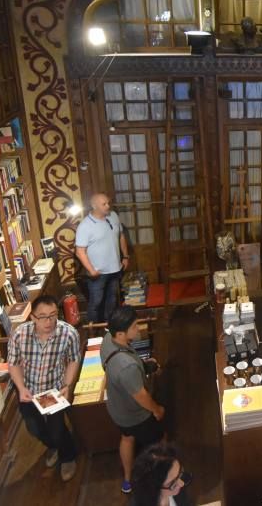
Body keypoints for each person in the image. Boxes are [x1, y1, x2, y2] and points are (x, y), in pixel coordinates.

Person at [7, 294, 81, 482]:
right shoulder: (19, 335)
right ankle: (54, 445)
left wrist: (67, 384)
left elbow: (73, 359)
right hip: (29, 392)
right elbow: (13, 363)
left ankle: (68, 456)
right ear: (32, 317)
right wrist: (21, 387)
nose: (49, 321)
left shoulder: (68, 333)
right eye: (43, 316)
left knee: (57, 429)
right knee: (34, 429)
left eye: (53, 315)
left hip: (54, 390)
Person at [103, 306, 166, 494]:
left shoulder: (108, 340)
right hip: (136, 415)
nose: (138, 329)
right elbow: (142, 397)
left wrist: (144, 367)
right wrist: (157, 410)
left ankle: (127, 480)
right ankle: (163, 473)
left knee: (127, 438)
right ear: (121, 333)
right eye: (134, 326)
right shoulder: (127, 367)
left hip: (116, 409)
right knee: (159, 440)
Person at [75, 192, 129, 323]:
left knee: (112, 300)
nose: (108, 206)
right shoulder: (85, 226)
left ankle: (108, 326)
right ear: (94, 206)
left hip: (115, 269)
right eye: (104, 204)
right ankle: (93, 329)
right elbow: (79, 251)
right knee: (96, 302)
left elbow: (121, 236)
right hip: (97, 273)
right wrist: (91, 270)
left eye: (108, 203)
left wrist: (126, 256)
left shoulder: (113, 216)